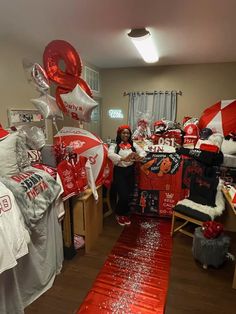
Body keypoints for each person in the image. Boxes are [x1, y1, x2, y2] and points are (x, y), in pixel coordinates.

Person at [108, 125, 146, 226]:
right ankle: (119, 213)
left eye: (128, 133)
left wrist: (139, 156)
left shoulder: (132, 144)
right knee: (123, 195)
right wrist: (121, 158)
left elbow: (143, 152)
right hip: (119, 172)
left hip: (130, 171)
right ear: (119, 134)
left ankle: (124, 214)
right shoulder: (114, 145)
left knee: (129, 194)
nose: (126, 135)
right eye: (124, 133)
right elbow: (110, 154)